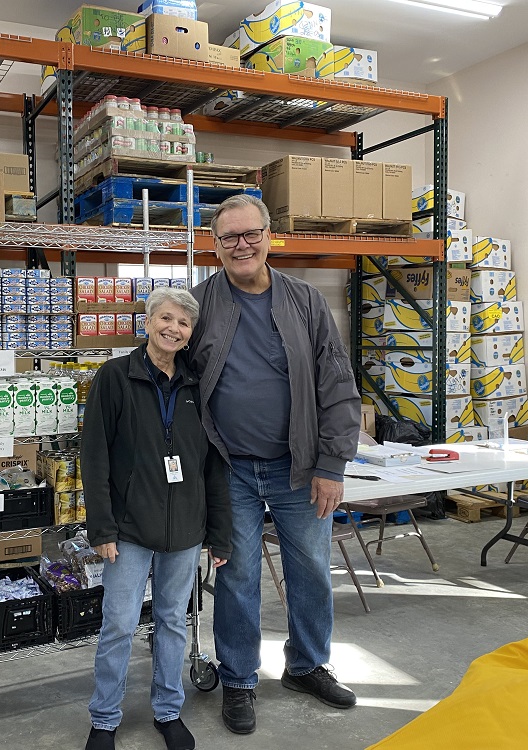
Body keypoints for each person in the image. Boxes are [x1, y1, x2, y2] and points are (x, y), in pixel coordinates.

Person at [188, 194, 362, 735]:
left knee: (310, 569)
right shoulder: (198, 305)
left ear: (269, 236)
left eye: (250, 235)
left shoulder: (305, 301)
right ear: (214, 246)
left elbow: (337, 383)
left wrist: (332, 463)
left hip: (301, 466)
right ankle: (239, 679)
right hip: (230, 468)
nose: (241, 245)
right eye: (229, 238)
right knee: (236, 576)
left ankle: (307, 665)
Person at [81, 286, 233, 750]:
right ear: (146, 323)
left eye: (183, 323)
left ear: (190, 334)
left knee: (172, 622)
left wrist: (218, 535)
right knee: (120, 625)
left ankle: (169, 712)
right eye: (165, 319)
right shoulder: (114, 377)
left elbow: (213, 463)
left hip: (185, 529)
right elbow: (95, 456)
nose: (173, 328)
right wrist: (102, 527)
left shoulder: (196, 386)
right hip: (128, 530)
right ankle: (104, 719)